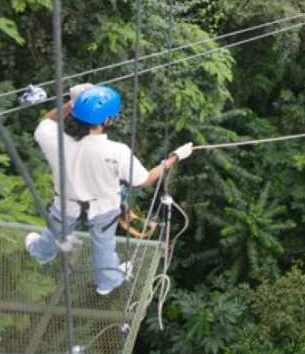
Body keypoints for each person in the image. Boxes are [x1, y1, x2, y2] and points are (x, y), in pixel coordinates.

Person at [25, 84, 193, 295]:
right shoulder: (117, 152)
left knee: (55, 232)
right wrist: (174, 158)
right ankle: (107, 282)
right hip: (104, 207)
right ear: (106, 120)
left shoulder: (53, 139)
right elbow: (145, 180)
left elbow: (47, 121)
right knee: (103, 245)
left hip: (67, 203)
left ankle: (41, 253)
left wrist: (73, 103)